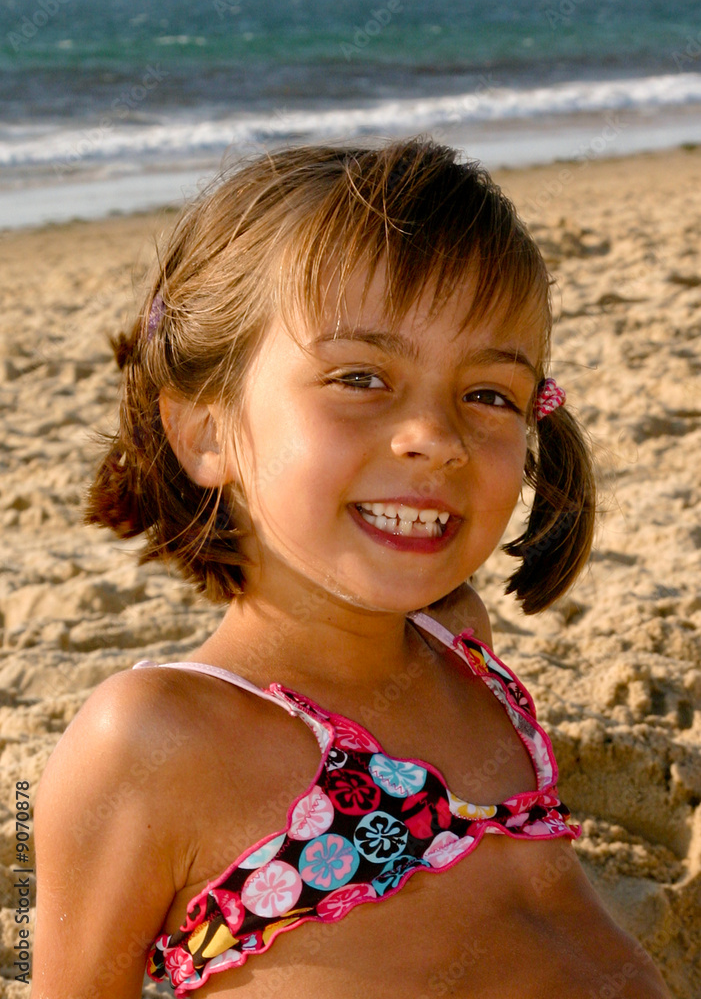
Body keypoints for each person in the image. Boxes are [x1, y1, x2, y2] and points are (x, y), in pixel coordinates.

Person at [31, 139, 671, 999]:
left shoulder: (459, 648)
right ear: (206, 432)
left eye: (487, 394)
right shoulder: (155, 737)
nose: (436, 438)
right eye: (361, 377)